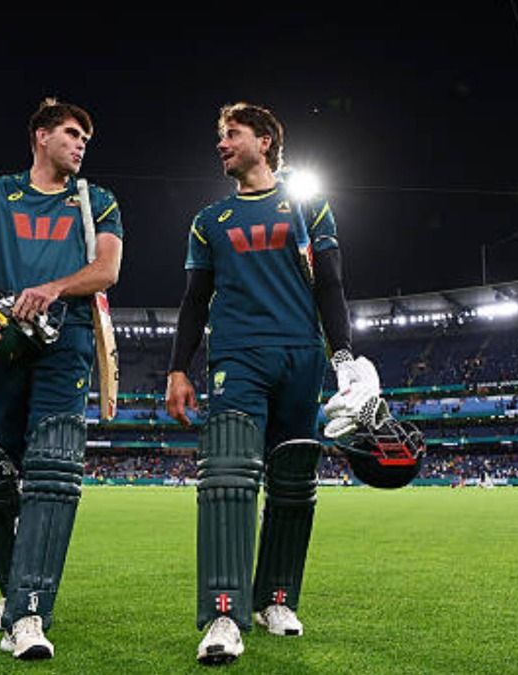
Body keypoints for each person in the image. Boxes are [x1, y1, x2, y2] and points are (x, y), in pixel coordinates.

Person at [165, 102, 362, 665]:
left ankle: (276, 599)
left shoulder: (309, 207)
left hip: (302, 356)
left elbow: (331, 287)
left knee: (294, 478)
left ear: (266, 141)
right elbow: (193, 301)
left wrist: (343, 357)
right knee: (227, 474)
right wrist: (179, 367)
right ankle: (223, 613)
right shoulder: (209, 221)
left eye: (232, 134)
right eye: (220, 134)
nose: (222, 143)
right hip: (237, 357)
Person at [0, 98, 123, 660]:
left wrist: (53, 288)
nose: (80, 145)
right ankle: (14, 590)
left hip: (65, 345)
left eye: (86, 140)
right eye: (71, 134)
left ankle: (27, 614)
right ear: (41, 136)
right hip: (1, 341)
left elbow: (107, 270)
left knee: (50, 474)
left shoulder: (98, 200)